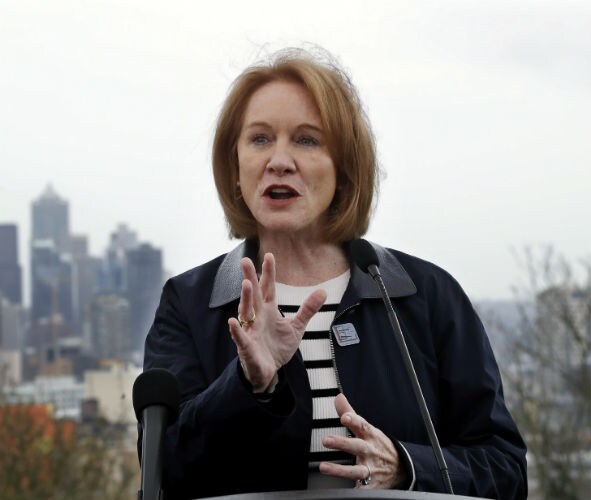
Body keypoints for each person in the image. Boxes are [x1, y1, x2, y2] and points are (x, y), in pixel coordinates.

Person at [141, 48, 527, 499]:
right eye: (260, 139)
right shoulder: (189, 303)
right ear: (235, 167)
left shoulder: (426, 295)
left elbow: (506, 471)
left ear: (344, 168)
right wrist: (250, 385)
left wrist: (407, 466)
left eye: (307, 140)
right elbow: (166, 476)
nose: (279, 161)